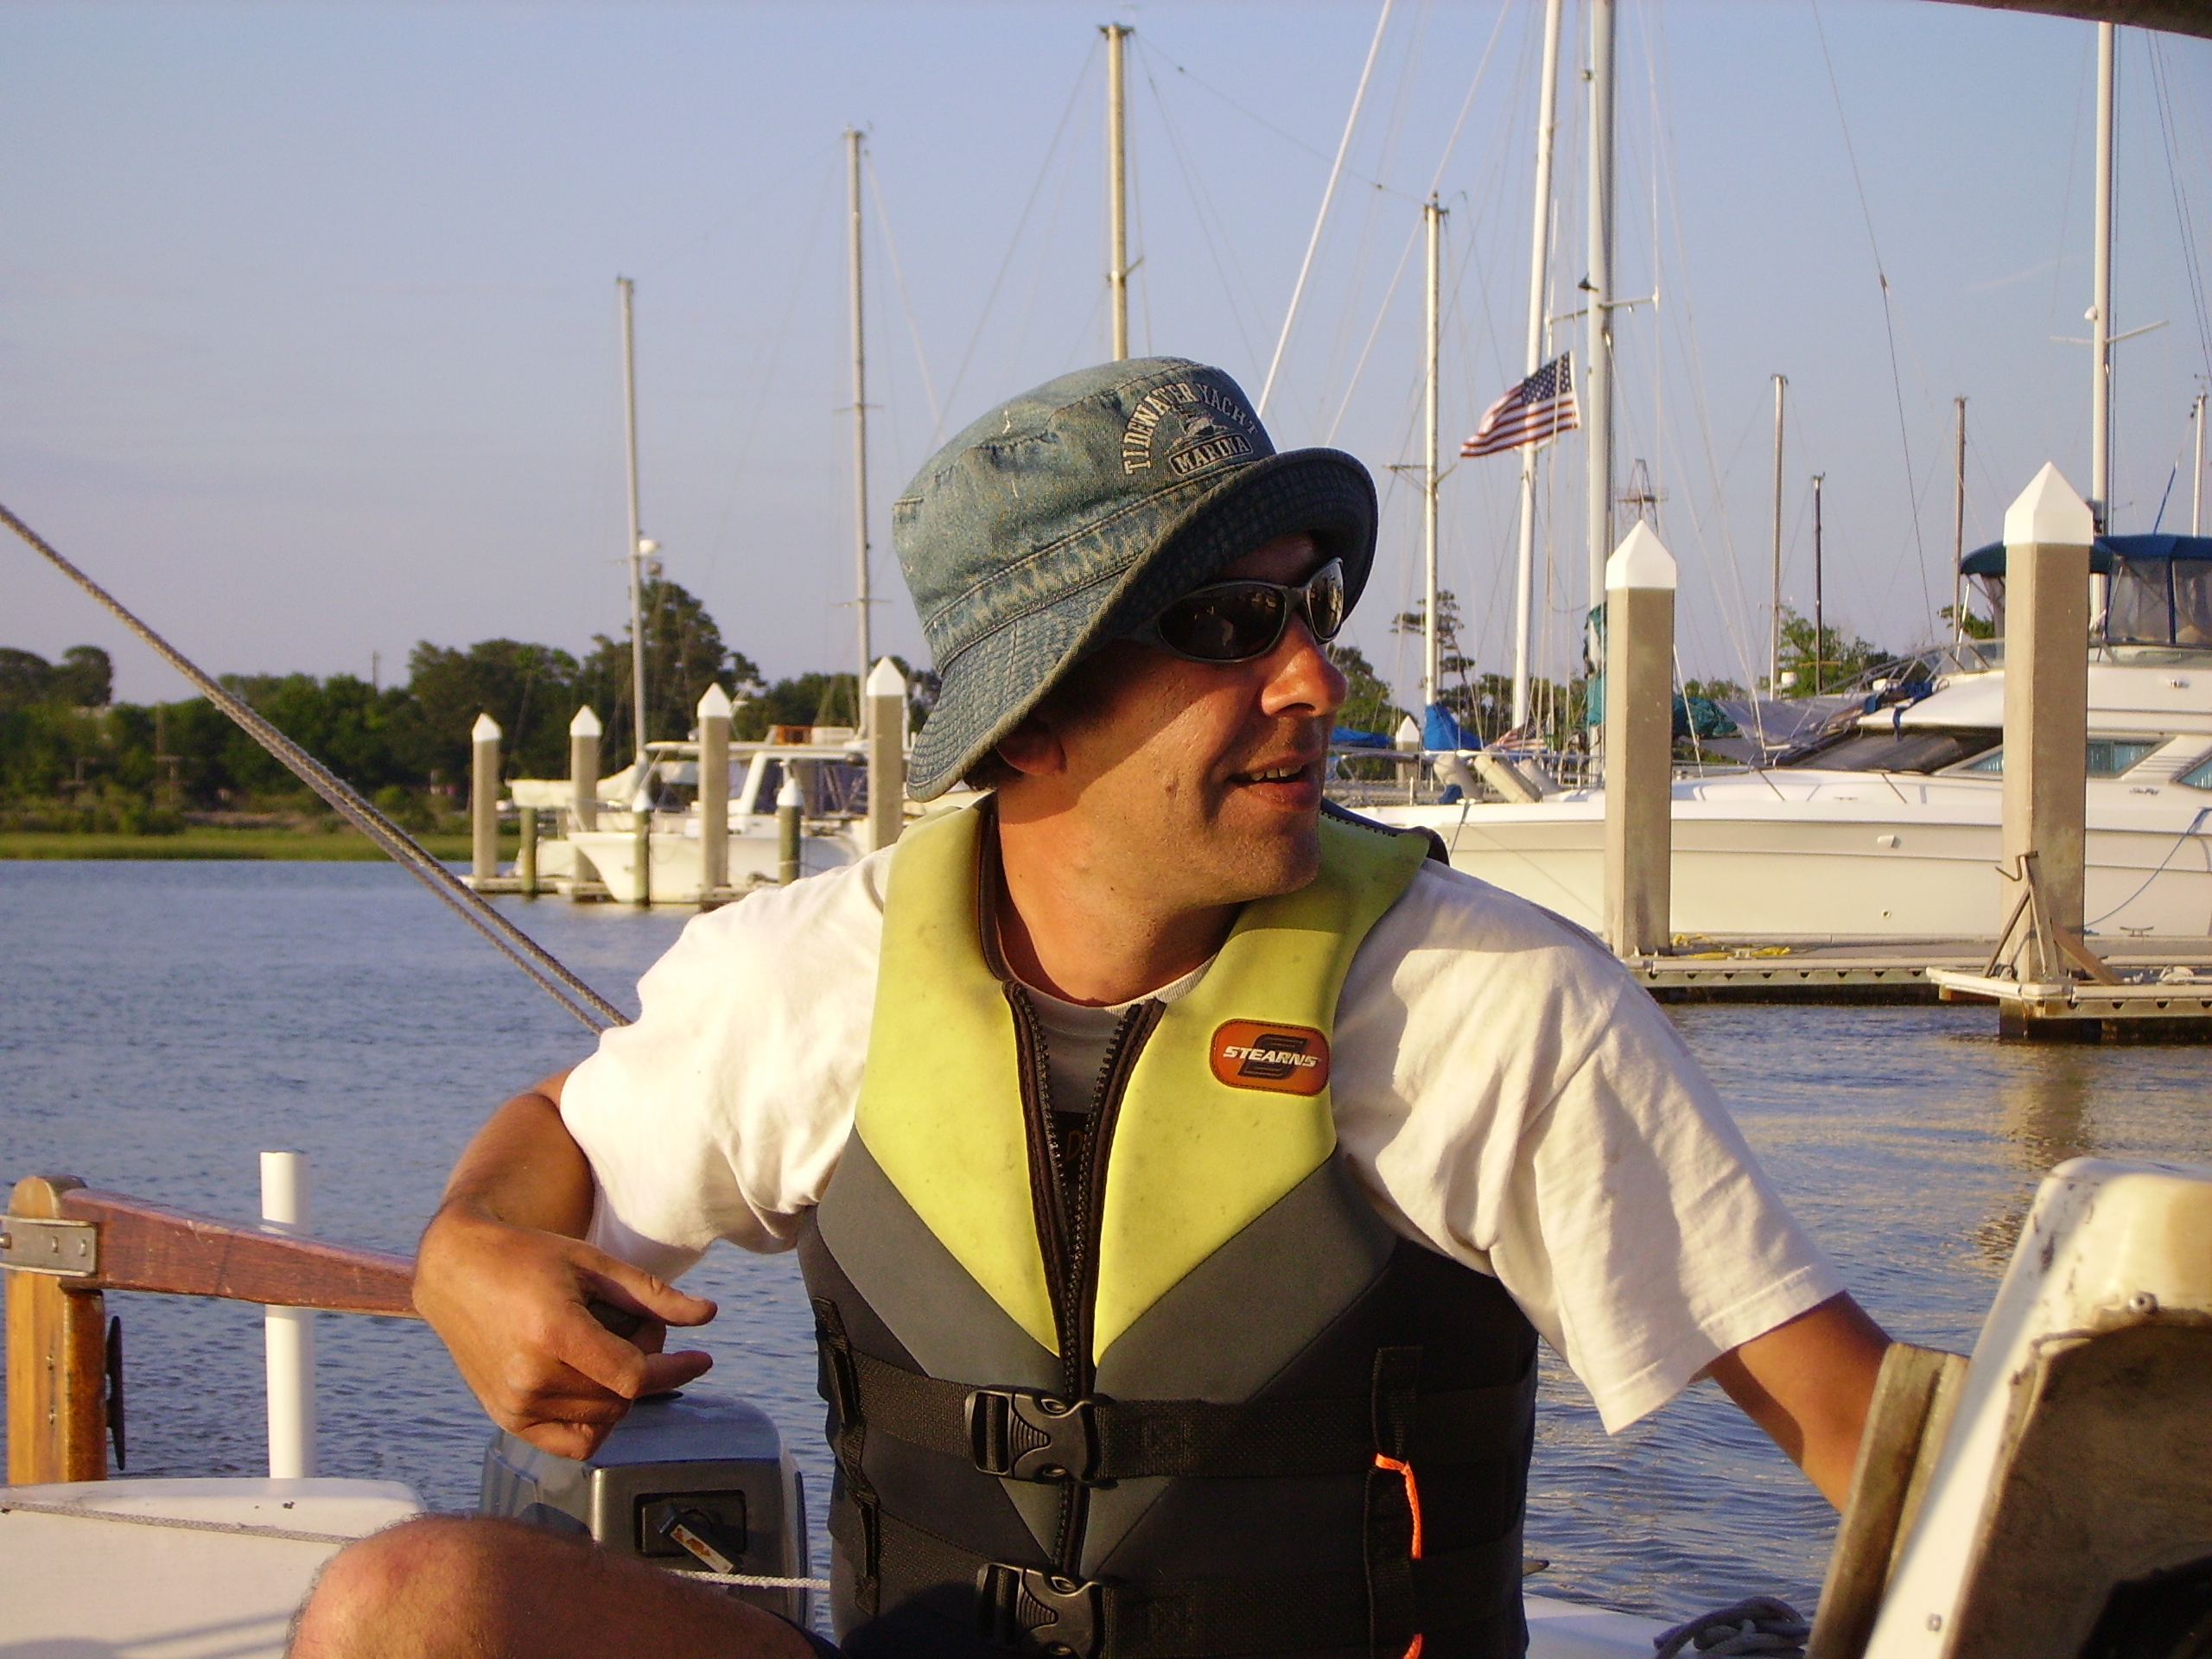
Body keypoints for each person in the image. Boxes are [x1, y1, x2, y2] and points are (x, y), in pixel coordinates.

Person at [291, 359, 1888, 1659]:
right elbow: (561, 1138)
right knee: (406, 1607)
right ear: (1028, 725)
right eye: (1228, 625)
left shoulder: (1498, 1008)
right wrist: (466, 1247)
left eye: (1315, 605)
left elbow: (1854, 1427)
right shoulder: (811, 976)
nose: (1317, 679)